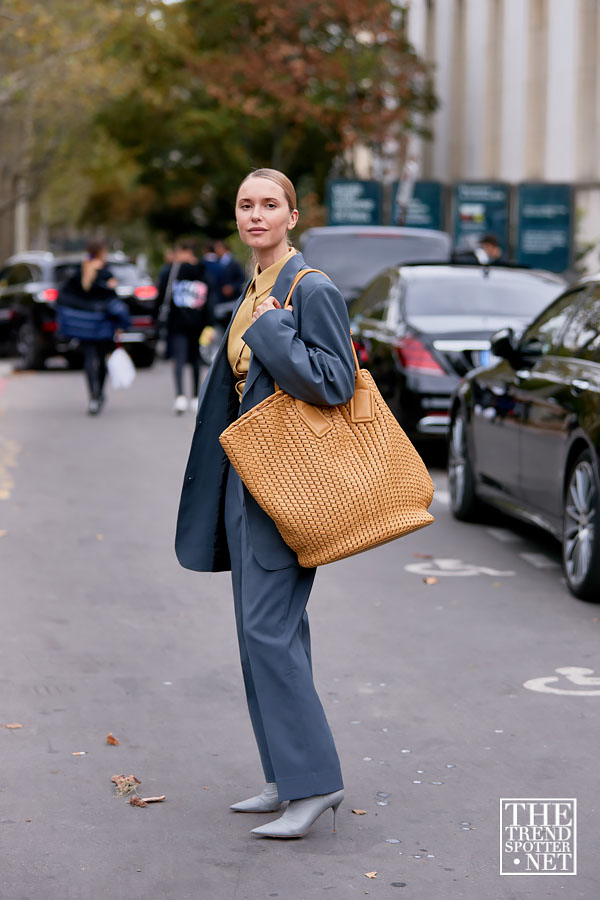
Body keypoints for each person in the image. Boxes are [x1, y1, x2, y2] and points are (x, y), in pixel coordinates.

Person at [175, 168, 355, 839]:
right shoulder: (254, 287)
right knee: (263, 637)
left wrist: (276, 335)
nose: (256, 215)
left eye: (269, 205)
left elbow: (336, 383)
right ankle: (285, 775)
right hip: (244, 485)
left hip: (289, 487)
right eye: (246, 204)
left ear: (293, 216)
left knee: (268, 633)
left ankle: (317, 784)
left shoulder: (312, 290)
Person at [57, 242, 129, 415]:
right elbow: (113, 300)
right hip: (103, 323)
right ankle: (99, 394)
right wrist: (120, 324)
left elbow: (64, 297)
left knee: (89, 358)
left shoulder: (79, 272)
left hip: (84, 325)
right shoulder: (105, 273)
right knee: (102, 358)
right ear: (101, 253)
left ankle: (93, 396)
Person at [156, 239, 216, 414]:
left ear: (186, 252)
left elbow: (161, 297)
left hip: (185, 323)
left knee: (185, 359)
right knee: (190, 359)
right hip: (192, 323)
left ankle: (186, 396)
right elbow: (210, 300)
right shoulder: (198, 272)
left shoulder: (174, 273)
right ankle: (187, 396)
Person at [213, 238, 246, 326]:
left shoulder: (234, 263)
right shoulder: (216, 262)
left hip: (233, 298)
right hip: (221, 299)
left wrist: (232, 287)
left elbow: (242, 279)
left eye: (219, 248)